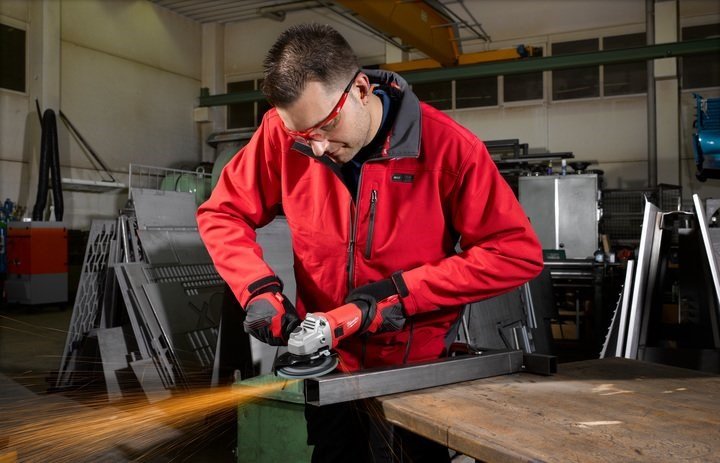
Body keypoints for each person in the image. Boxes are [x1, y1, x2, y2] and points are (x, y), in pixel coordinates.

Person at [197, 23, 543, 463]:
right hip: (331, 368)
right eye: (302, 136)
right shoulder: (279, 135)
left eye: (326, 126)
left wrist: (400, 294)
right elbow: (222, 213)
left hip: (416, 373)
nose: (316, 148)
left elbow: (515, 253)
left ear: (361, 90)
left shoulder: (449, 149)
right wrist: (257, 290)